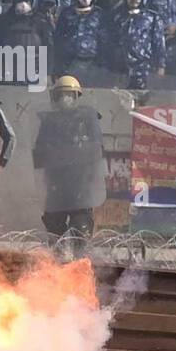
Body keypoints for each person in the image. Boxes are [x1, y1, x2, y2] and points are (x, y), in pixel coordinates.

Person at [33, 77, 105, 248]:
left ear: (76, 96)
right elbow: (39, 153)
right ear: (55, 97)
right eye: (62, 94)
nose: (65, 98)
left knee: (81, 229)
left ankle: (79, 264)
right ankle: (57, 265)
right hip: (56, 183)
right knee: (54, 227)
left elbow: (97, 149)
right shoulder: (49, 121)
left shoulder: (87, 118)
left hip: (80, 182)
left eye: (69, 94)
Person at [112, 0, 166, 90]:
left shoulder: (152, 18)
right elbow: (111, 41)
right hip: (121, 69)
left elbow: (159, 43)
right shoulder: (117, 17)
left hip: (144, 68)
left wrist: (161, 66)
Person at [53, 0, 106, 78]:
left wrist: (102, 62)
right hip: (69, 63)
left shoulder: (99, 15)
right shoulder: (67, 13)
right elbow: (58, 38)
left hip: (93, 64)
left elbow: (105, 40)